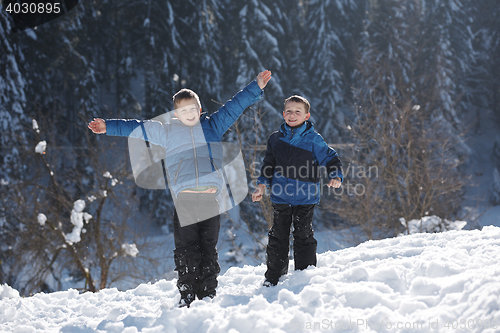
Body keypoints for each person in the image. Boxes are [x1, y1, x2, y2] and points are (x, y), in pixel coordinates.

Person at [88, 70, 272, 307]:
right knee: (187, 251)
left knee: (208, 250)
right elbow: (137, 127)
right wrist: (108, 126)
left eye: (193, 108)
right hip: (184, 202)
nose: (189, 113)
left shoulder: (213, 125)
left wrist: (255, 86)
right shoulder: (166, 132)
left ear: (199, 108)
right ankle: (187, 296)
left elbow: (234, 106)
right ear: (176, 113)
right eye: (183, 110)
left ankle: (207, 295)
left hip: (210, 202)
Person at [252, 95, 343, 287]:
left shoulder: (313, 140)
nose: (293, 115)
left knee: (303, 233)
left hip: (306, 196)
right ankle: (274, 275)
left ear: (306, 116)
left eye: (298, 112)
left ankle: (304, 274)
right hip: (280, 195)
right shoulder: (275, 139)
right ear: (284, 114)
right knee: (278, 235)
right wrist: (261, 185)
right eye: (289, 111)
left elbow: (330, 158)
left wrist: (335, 176)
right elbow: (268, 164)